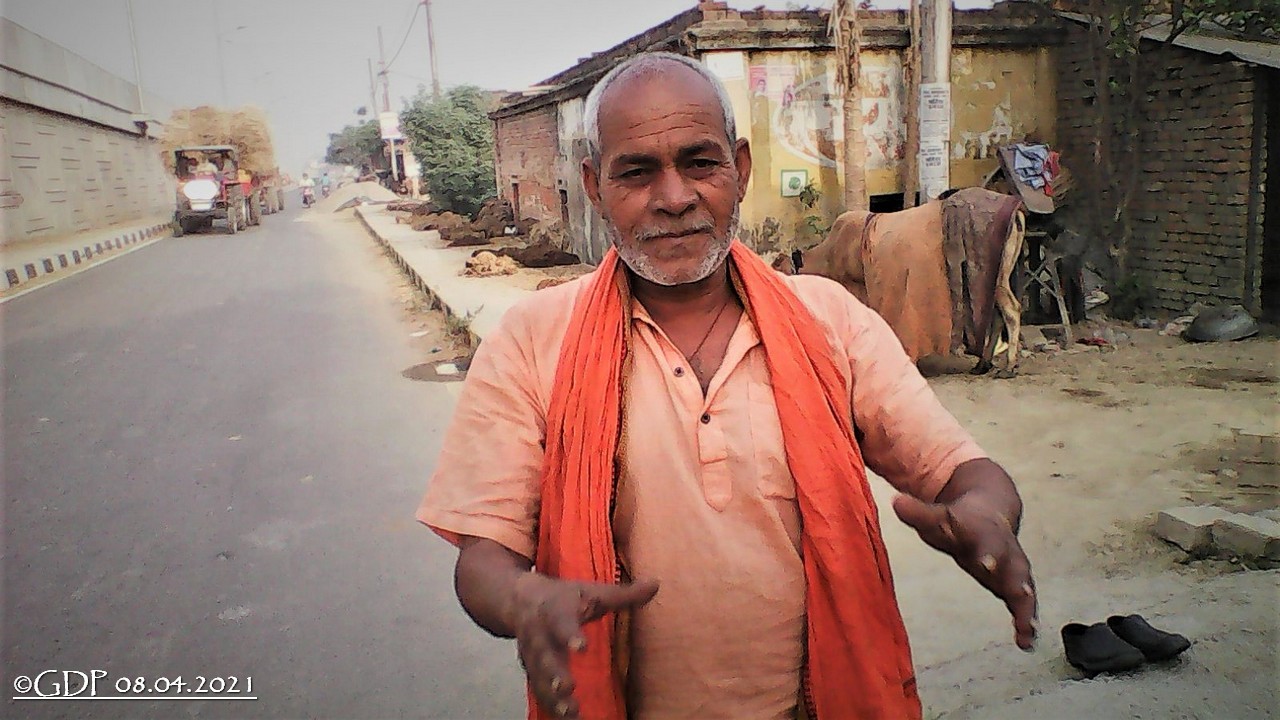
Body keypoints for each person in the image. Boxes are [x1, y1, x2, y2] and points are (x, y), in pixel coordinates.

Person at [417, 52, 1037, 720]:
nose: (675, 197)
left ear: (739, 169)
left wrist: (985, 513)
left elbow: (961, 471)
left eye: (699, 163)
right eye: (637, 171)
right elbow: (484, 558)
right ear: (594, 186)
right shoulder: (533, 340)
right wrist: (522, 600)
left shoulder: (829, 320)